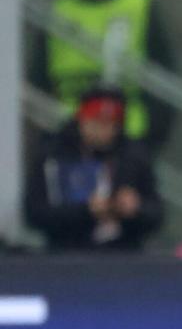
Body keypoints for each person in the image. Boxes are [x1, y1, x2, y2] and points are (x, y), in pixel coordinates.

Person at [30, 0, 175, 150]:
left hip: (128, 128)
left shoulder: (137, 4)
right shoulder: (60, 10)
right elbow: (38, 76)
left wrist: (154, 134)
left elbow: (163, 74)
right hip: (68, 128)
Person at [24, 85, 163, 251]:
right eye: (97, 122)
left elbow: (156, 213)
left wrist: (135, 209)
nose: (104, 131)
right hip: (66, 254)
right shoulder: (54, 155)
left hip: (122, 254)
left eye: (111, 124)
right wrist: (85, 211)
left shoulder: (133, 156)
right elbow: (35, 213)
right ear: (81, 119)